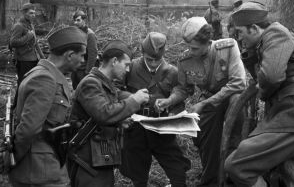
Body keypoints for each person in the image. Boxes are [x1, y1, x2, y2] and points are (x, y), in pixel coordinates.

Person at [224, 2, 294, 187]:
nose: (238, 38)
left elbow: (271, 77)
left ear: (254, 28)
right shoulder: (269, 43)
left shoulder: (275, 33)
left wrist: (262, 93)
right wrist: (250, 53)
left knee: (237, 166)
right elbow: (263, 75)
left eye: (240, 32)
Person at [166, 17, 246, 186]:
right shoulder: (185, 60)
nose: (191, 51)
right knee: (206, 139)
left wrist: (204, 103)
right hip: (209, 101)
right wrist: (169, 100)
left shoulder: (228, 47)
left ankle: (233, 174)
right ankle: (211, 179)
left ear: (208, 41)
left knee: (235, 129)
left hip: (232, 97)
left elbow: (239, 82)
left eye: (195, 48)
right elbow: (183, 88)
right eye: (189, 47)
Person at [8, 26, 88, 187]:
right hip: (38, 172)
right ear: (70, 55)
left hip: (44, 166)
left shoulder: (46, 74)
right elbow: (29, 129)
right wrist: (13, 158)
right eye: (82, 55)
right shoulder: (45, 78)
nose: (83, 61)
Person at [68, 40, 150, 187]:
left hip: (98, 157)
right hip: (87, 160)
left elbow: (101, 110)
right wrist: (134, 101)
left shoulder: (104, 82)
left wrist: (119, 121)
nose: (127, 70)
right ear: (114, 61)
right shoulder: (91, 83)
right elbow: (103, 113)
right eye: (126, 65)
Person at [120, 32, 191, 187]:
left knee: (177, 170)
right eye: (149, 59)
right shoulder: (130, 67)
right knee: (137, 173)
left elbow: (182, 90)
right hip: (135, 128)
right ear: (142, 52)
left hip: (162, 129)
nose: (153, 63)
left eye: (157, 60)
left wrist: (169, 101)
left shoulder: (171, 71)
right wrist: (134, 98)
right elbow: (115, 88)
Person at [9, 3, 45, 105]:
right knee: (23, 84)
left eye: (34, 13)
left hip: (33, 59)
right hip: (23, 60)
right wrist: (28, 36)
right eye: (31, 13)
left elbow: (35, 42)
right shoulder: (18, 26)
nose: (33, 15)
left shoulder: (30, 25)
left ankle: (27, 104)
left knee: (32, 83)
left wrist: (42, 57)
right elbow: (13, 42)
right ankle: (16, 105)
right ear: (24, 13)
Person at [71, 10, 98, 89]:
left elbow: (93, 55)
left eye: (78, 20)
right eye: (74, 20)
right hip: (75, 68)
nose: (75, 22)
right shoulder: (76, 32)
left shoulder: (90, 34)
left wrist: (88, 72)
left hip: (84, 70)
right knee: (75, 90)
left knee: (84, 90)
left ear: (84, 20)